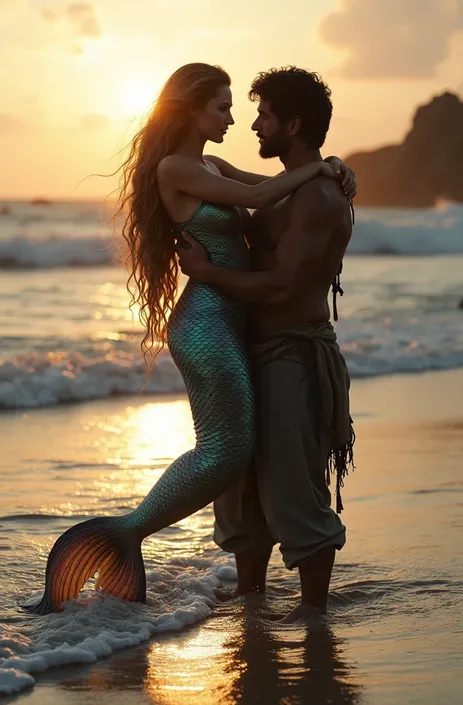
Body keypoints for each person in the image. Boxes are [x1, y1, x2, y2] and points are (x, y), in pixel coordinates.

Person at [25, 63, 355, 615]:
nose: (241, 120)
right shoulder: (179, 168)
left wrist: (332, 168)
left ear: (292, 124)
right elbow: (274, 190)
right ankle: (127, 532)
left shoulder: (210, 164)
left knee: (244, 460)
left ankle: (242, 585)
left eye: (255, 113)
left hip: (235, 324)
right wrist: (327, 168)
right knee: (227, 451)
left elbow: (266, 189)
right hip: (207, 325)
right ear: (191, 109)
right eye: (224, 107)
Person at [178, 67, 355, 622]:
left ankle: (313, 608)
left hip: (291, 353)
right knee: (240, 482)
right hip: (245, 352)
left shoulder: (319, 199)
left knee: (290, 487)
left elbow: (282, 286)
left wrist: (207, 272)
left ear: (294, 123)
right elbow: (238, 183)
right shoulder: (286, 189)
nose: (253, 124)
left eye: (265, 116)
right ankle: (251, 593)